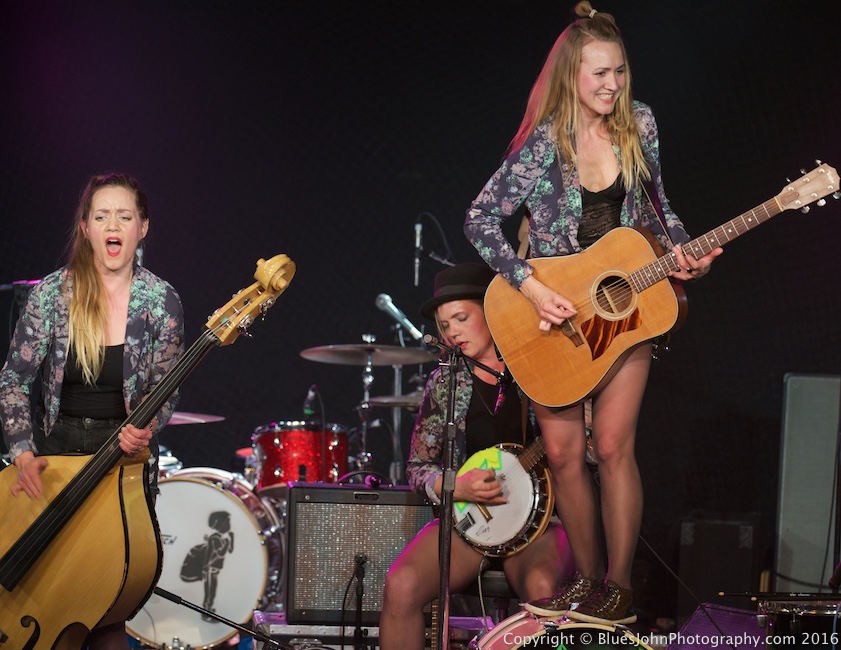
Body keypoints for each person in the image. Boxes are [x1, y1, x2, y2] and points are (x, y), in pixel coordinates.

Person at [463, 2, 722, 625]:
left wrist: (687, 252)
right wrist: (528, 286)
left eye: (620, 72)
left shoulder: (639, 124)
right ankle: (584, 580)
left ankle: (619, 584)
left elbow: (660, 206)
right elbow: (479, 219)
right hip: (555, 315)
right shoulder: (544, 141)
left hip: (626, 308)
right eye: (599, 74)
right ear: (571, 75)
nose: (612, 85)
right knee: (561, 451)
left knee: (610, 445)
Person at [0, 172, 185, 648]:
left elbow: (167, 392)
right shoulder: (50, 295)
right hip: (58, 458)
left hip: (124, 464)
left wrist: (146, 429)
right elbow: (14, 381)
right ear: (85, 227)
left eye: (124, 215)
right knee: (55, 604)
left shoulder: (162, 302)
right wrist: (21, 451)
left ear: (142, 226)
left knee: (107, 609)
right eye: (101, 215)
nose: (113, 224)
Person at [379, 263, 574, 650]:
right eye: (444, 324)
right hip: (468, 524)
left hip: (539, 522)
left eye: (461, 318)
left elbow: (585, 448)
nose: (451, 332)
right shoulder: (447, 382)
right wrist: (455, 484)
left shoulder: (538, 362)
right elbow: (418, 469)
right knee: (400, 585)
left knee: (542, 589)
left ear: (492, 310)